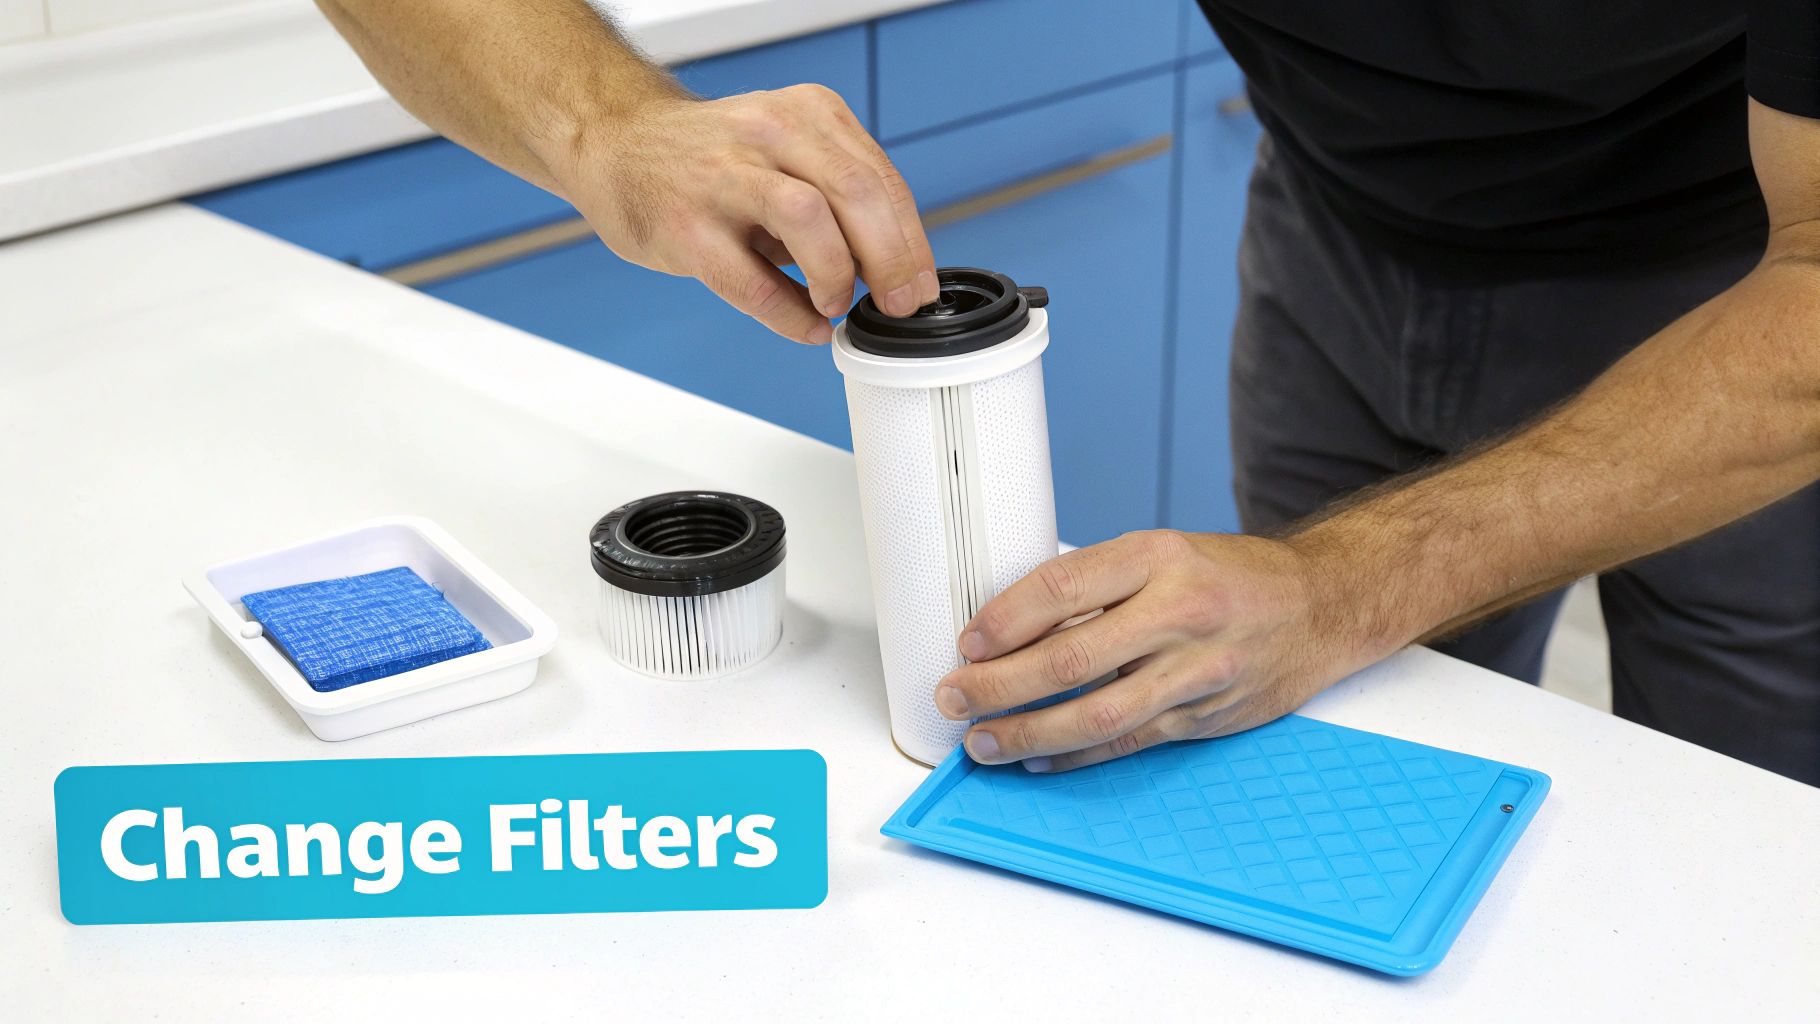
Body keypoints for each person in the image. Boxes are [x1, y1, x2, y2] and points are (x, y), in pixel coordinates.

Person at [314, 1, 1820, 785]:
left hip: (1741, 297)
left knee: (1740, 820)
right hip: (1335, 224)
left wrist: (1347, 582)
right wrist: (606, 129)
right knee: (1345, 765)